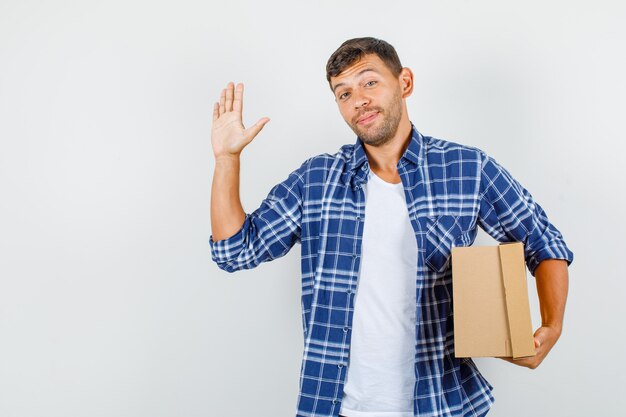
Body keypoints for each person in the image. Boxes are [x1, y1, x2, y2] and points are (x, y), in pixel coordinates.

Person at [209, 37, 573, 417]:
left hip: (442, 405)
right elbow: (235, 251)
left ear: (405, 82)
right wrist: (226, 159)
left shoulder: (468, 168)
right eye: (344, 93)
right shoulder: (315, 180)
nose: (358, 100)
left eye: (370, 82)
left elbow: (544, 242)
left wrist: (552, 325)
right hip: (333, 406)